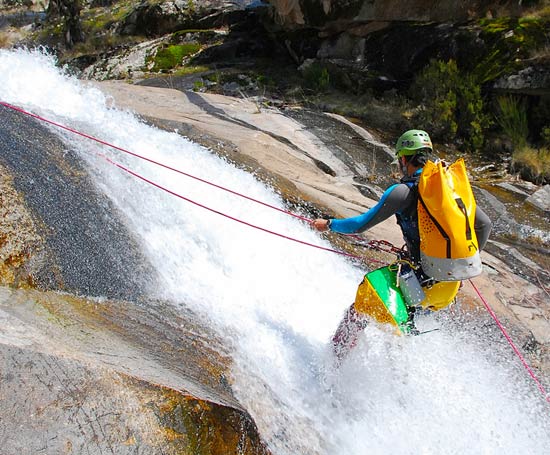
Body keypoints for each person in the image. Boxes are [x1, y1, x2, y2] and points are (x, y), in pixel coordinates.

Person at [311, 129, 492, 361]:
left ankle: (330, 366)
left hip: (417, 283)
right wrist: (459, 262)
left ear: (404, 159)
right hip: (448, 287)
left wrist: (329, 224)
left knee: (358, 311)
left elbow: (360, 225)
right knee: (402, 329)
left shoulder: (402, 192)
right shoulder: (448, 191)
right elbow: (484, 225)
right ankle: (404, 381)